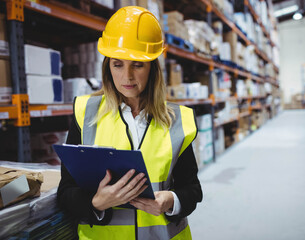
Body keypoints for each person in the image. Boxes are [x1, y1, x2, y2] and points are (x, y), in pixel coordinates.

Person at [57, 6, 203, 240]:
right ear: (108, 67)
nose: (127, 77)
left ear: (152, 68)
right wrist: (96, 203)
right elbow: (65, 193)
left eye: (137, 64)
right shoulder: (85, 113)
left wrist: (171, 202)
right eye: (118, 64)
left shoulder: (178, 120)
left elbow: (192, 191)